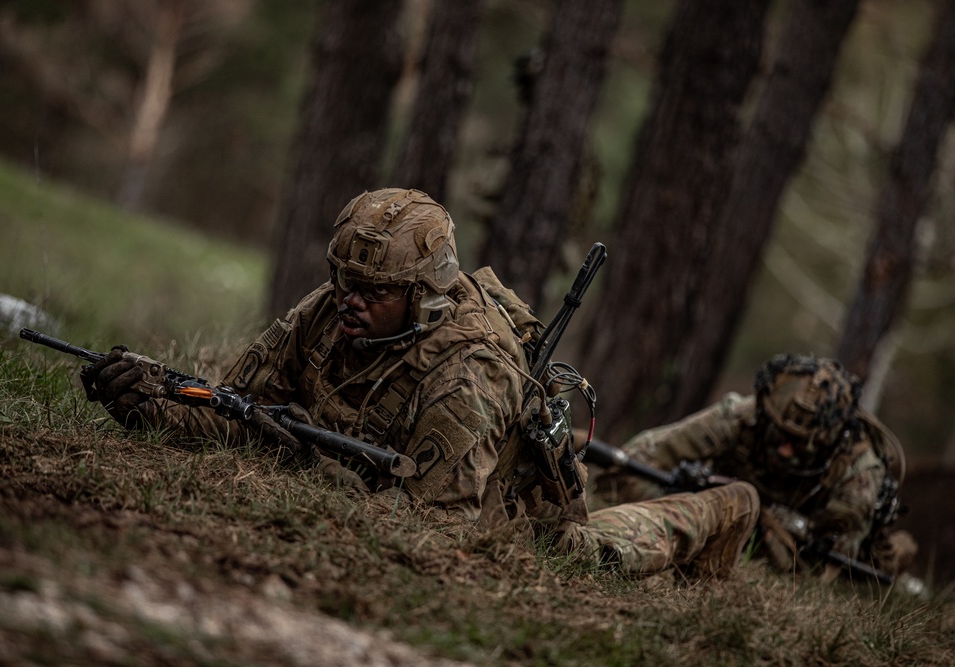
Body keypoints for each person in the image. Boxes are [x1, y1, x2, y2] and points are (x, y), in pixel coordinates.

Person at [88, 187, 759, 581]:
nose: (348, 299)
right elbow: (240, 412)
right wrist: (153, 402)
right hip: (424, 470)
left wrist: (299, 458)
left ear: (422, 296)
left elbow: (435, 531)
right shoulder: (335, 306)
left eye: (373, 290)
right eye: (346, 280)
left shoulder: (472, 370)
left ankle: (722, 506)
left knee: (610, 547)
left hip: (513, 516)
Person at [592, 353, 918, 580]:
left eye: (803, 444)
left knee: (880, 565)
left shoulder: (858, 469)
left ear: (831, 440)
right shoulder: (740, 417)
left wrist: (766, 530)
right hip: (725, 507)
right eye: (780, 433)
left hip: (804, 538)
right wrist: (687, 510)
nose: (786, 450)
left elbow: (821, 568)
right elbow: (632, 462)